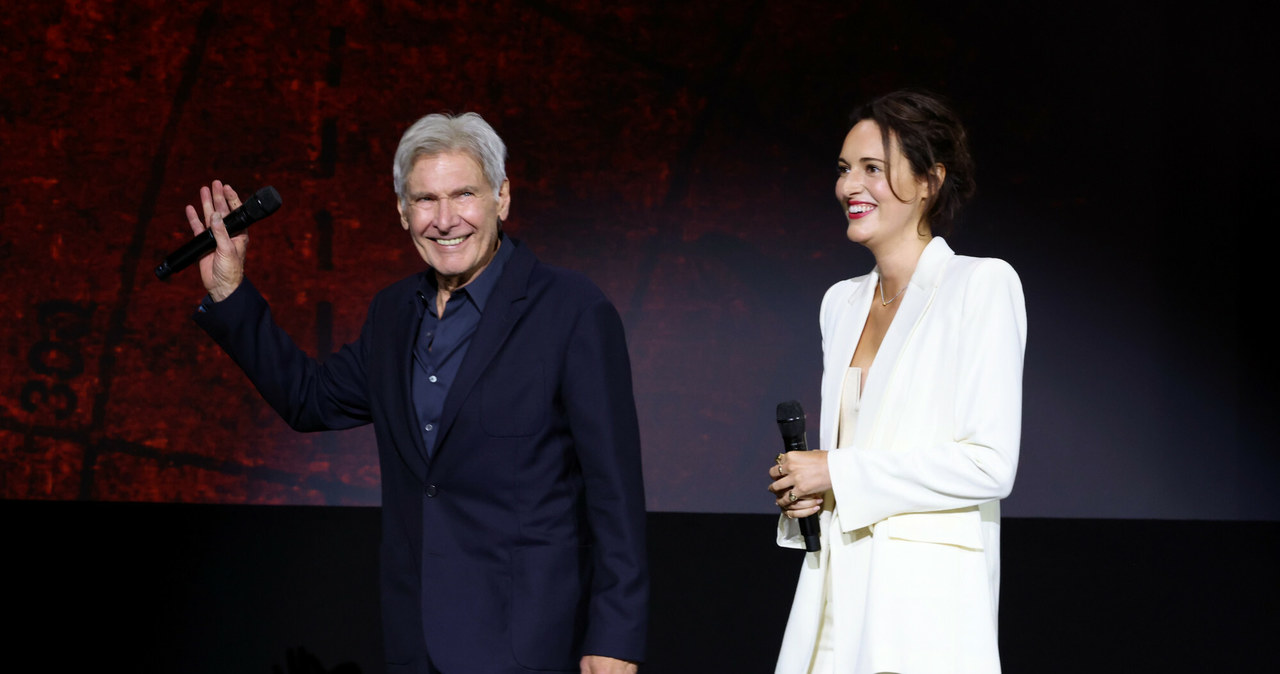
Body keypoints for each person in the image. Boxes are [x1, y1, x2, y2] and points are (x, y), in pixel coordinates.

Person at [184, 112, 647, 674]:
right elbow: (310, 399)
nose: (445, 220)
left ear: (501, 198)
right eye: (425, 200)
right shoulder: (392, 313)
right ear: (402, 211)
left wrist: (616, 636)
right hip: (414, 639)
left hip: (531, 639)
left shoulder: (572, 310)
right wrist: (230, 292)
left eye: (464, 195)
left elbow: (614, 493)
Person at [767, 90, 1027, 673]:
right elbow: (857, 453)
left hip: (922, 614)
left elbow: (989, 464)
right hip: (832, 599)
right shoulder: (841, 303)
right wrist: (810, 488)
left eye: (873, 169)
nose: (849, 187)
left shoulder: (980, 286)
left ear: (930, 181)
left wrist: (837, 470)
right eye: (843, 170)